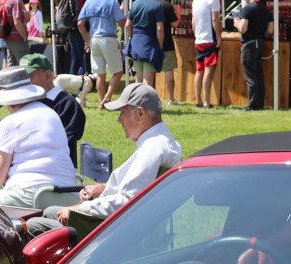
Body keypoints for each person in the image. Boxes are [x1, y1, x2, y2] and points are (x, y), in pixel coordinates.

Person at [25, 80, 180, 235]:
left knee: (33, 225)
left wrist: (79, 208)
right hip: (124, 222)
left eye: (122, 112)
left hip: (115, 230)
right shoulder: (162, 142)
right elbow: (136, 189)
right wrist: (104, 188)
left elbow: (127, 201)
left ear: (140, 113)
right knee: (51, 211)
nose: (119, 120)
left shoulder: (153, 148)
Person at [0, 65, 81, 207]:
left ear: (7, 100)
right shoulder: (51, 114)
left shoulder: (10, 122)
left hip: (29, 193)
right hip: (68, 192)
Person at [26, 52, 87, 165]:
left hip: (57, 167)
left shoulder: (67, 104)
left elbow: (65, 141)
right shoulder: (28, 101)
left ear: (48, 76)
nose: (26, 82)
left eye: (30, 77)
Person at [78, 0, 127, 107]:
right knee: (118, 72)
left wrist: (87, 40)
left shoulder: (89, 2)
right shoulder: (112, 2)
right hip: (108, 39)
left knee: (100, 74)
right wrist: (128, 18)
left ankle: (101, 102)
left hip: (94, 40)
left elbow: (80, 24)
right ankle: (107, 98)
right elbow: (120, 22)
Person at [233, 0, 271, 111]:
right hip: (260, 43)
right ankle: (259, 103)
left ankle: (252, 104)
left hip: (249, 45)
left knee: (250, 76)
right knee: (259, 75)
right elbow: (270, 31)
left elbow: (243, 29)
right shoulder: (266, 10)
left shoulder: (247, 9)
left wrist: (236, 22)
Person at [126, 0, 168, 88]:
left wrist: (133, 38)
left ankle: (137, 101)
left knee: (138, 78)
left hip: (136, 43)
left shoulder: (135, 4)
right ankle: (145, 101)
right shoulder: (157, 6)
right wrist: (160, 46)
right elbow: (159, 29)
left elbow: (127, 26)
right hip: (150, 44)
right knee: (147, 80)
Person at [191, 0, 221, 107]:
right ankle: (206, 102)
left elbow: (193, 22)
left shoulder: (195, 1)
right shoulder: (213, 1)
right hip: (210, 39)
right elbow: (215, 19)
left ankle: (198, 101)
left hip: (199, 40)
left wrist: (197, 37)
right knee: (208, 71)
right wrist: (218, 37)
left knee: (199, 71)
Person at [52, 0, 88, 75]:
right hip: (79, 31)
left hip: (71, 30)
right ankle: (81, 83)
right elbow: (80, 15)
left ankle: (71, 83)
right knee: (83, 60)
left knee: (74, 60)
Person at [0, 0, 32, 64]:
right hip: (17, 39)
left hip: (7, 37)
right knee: (24, 64)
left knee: (11, 64)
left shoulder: (2, 1)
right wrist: (24, 37)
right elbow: (17, 21)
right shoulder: (16, 2)